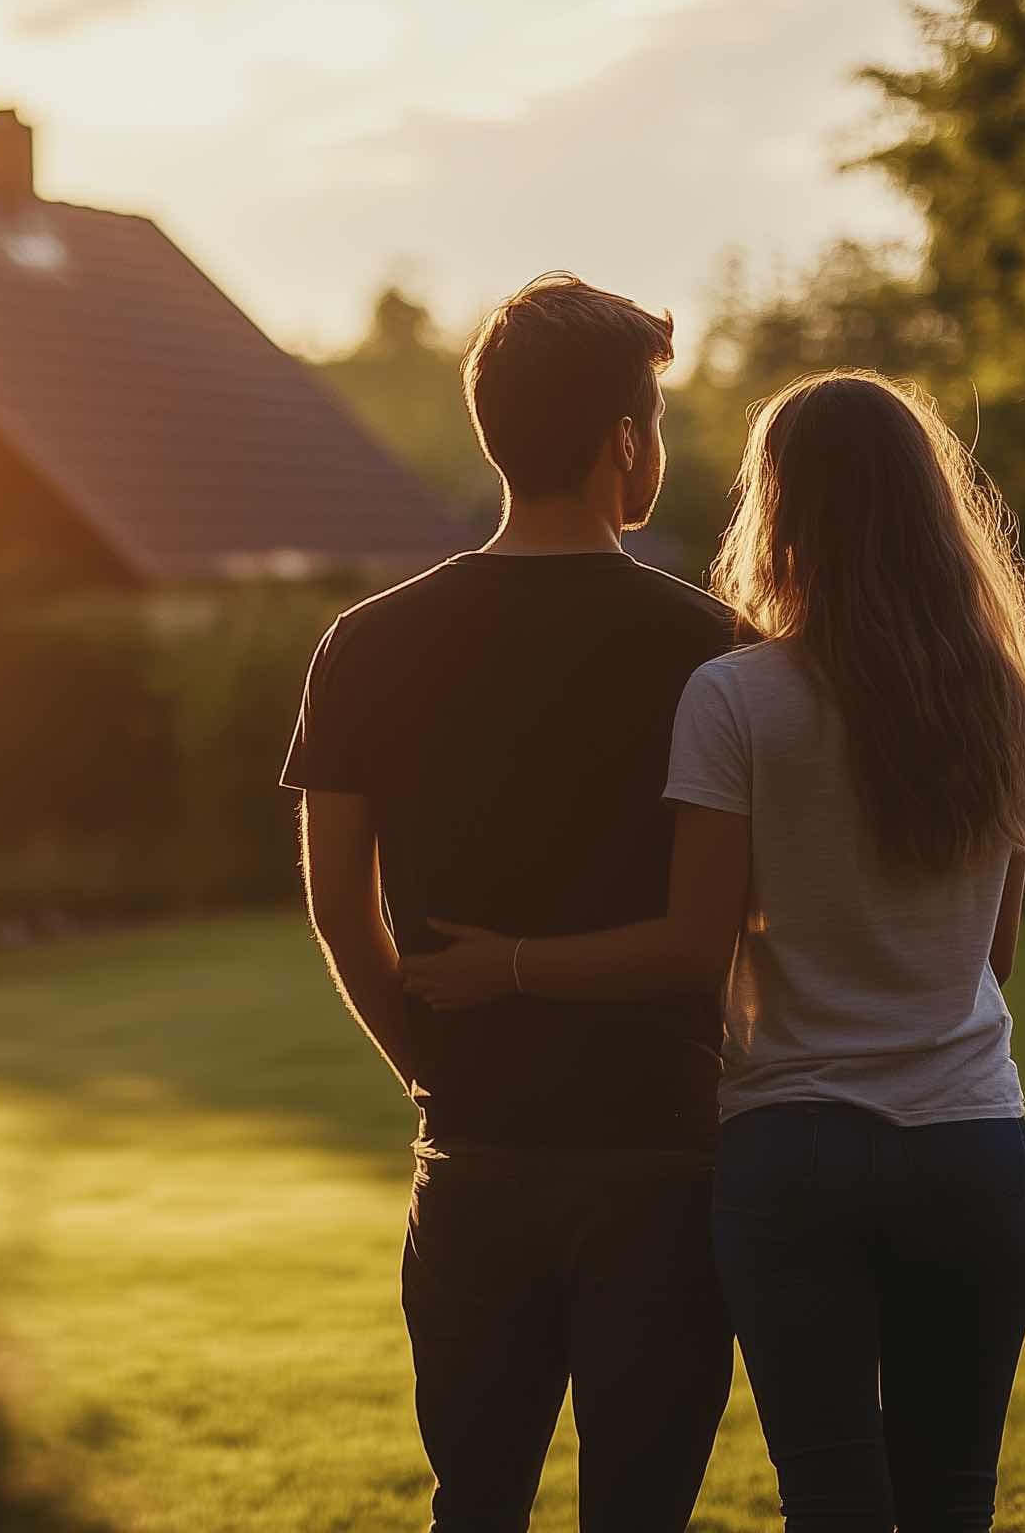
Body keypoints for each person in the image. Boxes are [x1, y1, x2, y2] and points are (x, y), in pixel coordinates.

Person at [406, 368, 1025, 1533]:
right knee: (954, 1496)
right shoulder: (1005, 701)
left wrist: (505, 962)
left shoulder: (735, 696)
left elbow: (689, 950)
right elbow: (992, 957)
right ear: (928, 506)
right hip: (971, 1146)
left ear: (782, 507)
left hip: (793, 1148)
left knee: (830, 1495)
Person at [284, 273, 740, 1532]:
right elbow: (737, 925)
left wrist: (429, 1067)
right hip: (660, 1157)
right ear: (623, 445)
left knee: (470, 1508)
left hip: (473, 1154)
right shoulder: (715, 650)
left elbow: (336, 907)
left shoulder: (364, 643)